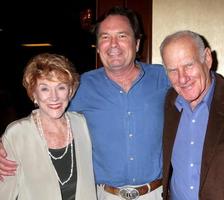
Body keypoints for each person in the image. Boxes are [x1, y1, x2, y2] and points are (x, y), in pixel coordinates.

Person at [0, 6, 172, 200]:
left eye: (122, 36)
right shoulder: (81, 86)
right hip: (103, 195)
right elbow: (47, 113)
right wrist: (7, 144)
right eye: (105, 37)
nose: (113, 44)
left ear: (137, 43)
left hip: (156, 194)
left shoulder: (164, 79)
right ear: (98, 47)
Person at [160, 30, 224, 200]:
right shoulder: (170, 102)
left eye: (188, 65)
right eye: (173, 70)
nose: (182, 78)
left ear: (207, 58)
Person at [0, 53, 97, 200]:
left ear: (70, 91)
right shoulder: (17, 133)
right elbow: (5, 192)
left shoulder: (82, 124)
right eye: (45, 89)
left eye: (61, 87)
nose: (54, 97)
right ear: (33, 93)